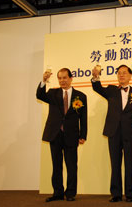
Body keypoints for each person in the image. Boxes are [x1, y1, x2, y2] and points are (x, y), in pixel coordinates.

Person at [91, 65, 132, 202]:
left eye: (124, 73)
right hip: (113, 131)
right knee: (115, 163)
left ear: (130, 75)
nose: (121, 75)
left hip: (129, 132)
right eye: (119, 73)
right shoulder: (111, 90)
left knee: (130, 162)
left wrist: (131, 124)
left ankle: (130, 194)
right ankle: (116, 194)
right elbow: (97, 88)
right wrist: (96, 77)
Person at [36, 68, 87, 202]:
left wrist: (83, 135)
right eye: (60, 78)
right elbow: (40, 96)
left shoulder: (81, 96)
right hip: (55, 134)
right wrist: (43, 81)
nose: (62, 81)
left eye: (65, 78)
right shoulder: (53, 93)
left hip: (72, 135)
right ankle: (57, 193)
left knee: (71, 166)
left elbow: (84, 118)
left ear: (71, 78)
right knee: (56, 165)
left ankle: (70, 193)